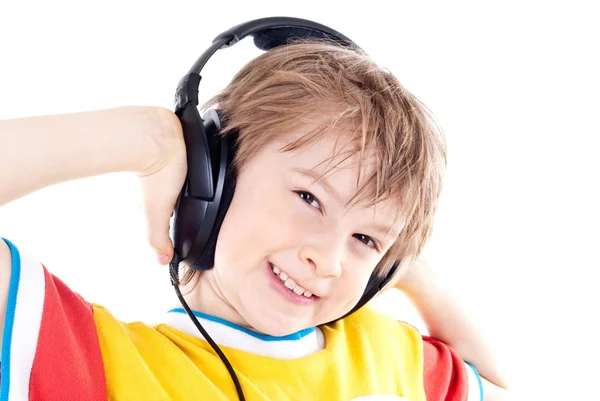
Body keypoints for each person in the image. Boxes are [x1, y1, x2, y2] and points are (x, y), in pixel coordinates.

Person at [0, 40, 510, 400]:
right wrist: (147, 138)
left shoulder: (388, 354)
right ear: (213, 182)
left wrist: (421, 278)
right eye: (309, 197)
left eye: (364, 239)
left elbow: (504, 390)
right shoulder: (98, 360)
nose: (328, 259)